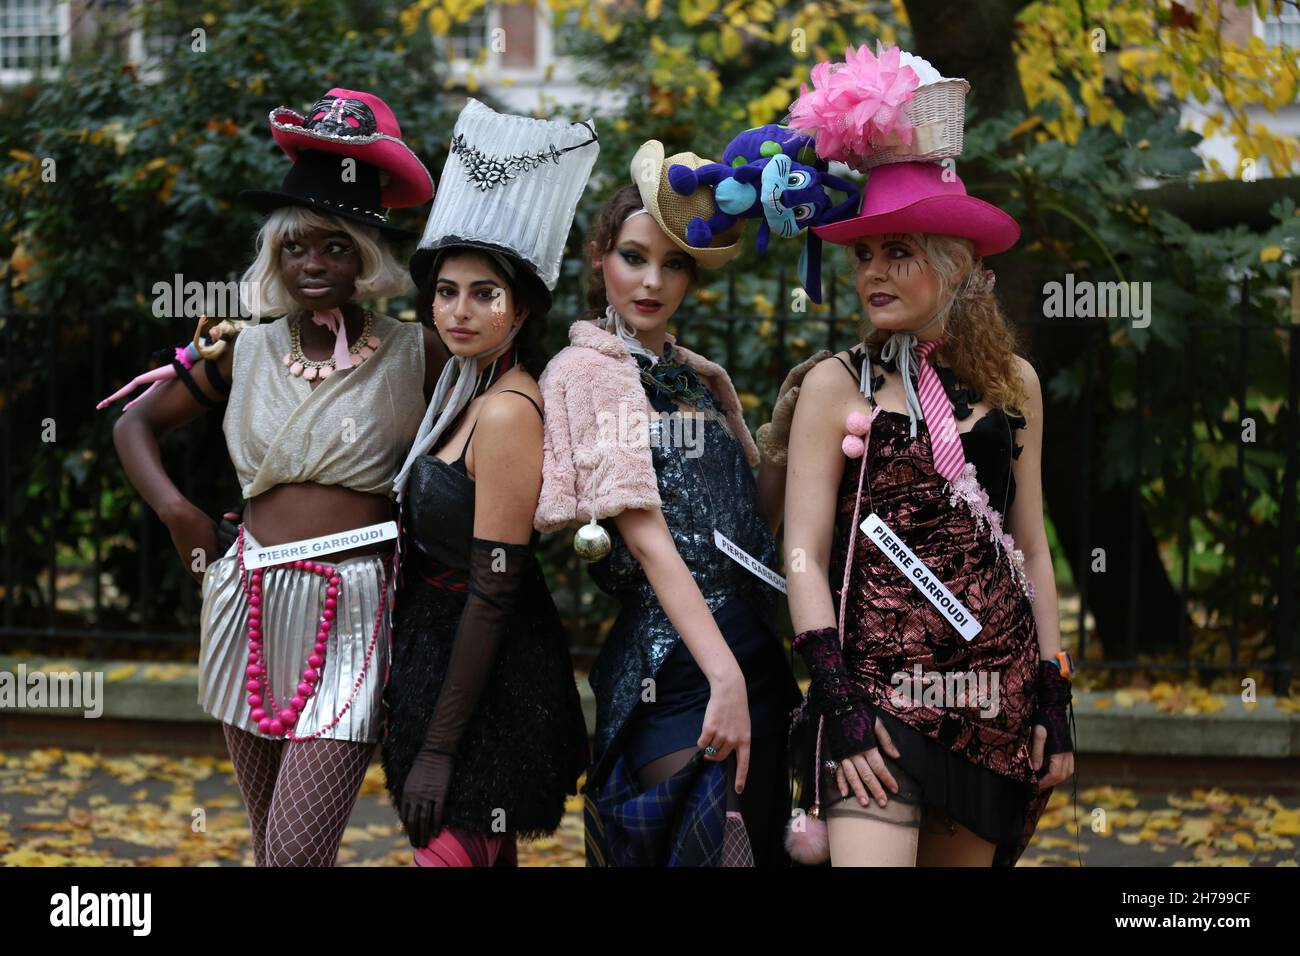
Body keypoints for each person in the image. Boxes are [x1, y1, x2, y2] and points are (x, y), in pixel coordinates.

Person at [109, 89, 444, 866]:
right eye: (296, 247)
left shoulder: (414, 350)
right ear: (274, 256)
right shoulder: (244, 352)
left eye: (334, 245)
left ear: (365, 254)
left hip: (355, 606)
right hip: (246, 600)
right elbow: (133, 425)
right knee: (271, 851)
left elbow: (488, 433)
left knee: (293, 856)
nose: (313, 263)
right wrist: (180, 516)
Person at [782, 45, 1075, 867]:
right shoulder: (836, 383)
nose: (873, 271)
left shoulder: (1015, 381)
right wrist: (835, 695)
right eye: (865, 255)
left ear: (953, 261)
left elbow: (1032, 545)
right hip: (875, 701)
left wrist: (1053, 690)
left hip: (994, 698)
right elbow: (802, 552)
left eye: (898, 253)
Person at [535, 142, 814, 866]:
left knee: (748, 852)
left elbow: (750, 531)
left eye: (674, 264)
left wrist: (778, 438)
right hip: (675, 664)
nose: (652, 281)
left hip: (750, 646)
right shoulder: (589, 371)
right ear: (600, 258)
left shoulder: (695, 379)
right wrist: (723, 677)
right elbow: (648, 537)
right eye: (634, 257)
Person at [380, 99, 595, 867]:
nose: (459, 310)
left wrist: (440, 750)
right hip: (437, 668)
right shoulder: (463, 389)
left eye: (484, 293)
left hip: (491, 694)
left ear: (523, 307)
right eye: (446, 290)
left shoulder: (507, 411)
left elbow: (497, 587)